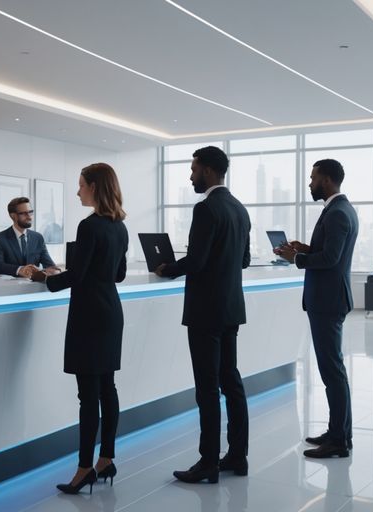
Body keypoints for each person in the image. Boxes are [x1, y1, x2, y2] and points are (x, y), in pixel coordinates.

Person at [29, 163, 128, 495]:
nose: (77, 191)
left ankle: (84, 468)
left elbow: (75, 277)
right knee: (107, 390)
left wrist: (42, 277)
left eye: (81, 185)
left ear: (95, 187)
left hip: (89, 316)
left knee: (88, 397)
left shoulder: (89, 226)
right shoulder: (120, 227)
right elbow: (119, 275)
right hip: (111, 313)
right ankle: (106, 459)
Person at [155, 146, 251, 483]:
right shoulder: (240, 209)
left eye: (194, 169)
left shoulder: (206, 208)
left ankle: (208, 461)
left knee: (207, 388)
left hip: (205, 311)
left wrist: (166, 268)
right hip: (230, 309)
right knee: (231, 382)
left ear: (209, 171)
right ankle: (237, 456)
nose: (191, 175)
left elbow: (195, 262)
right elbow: (244, 260)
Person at [276, 158, 358, 459]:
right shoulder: (341, 209)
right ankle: (338, 432)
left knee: (332, 371)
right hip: (330, 298)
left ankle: (338, 441)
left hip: (327, 300)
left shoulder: (337, 213)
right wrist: (305, 248)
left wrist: (295, 259)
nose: (310, 183)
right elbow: (327, 251)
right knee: (333, 370)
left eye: (313, 178)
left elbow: (332, 259)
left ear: (326, 180)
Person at [0, 197, 59, 277]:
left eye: (30, 212)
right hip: (9, 288)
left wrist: (42, 271)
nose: (29, 217)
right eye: (24, 213)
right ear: (13, 216)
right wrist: (20, 269)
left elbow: (50, 266)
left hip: (34, 288)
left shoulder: (38, 238)